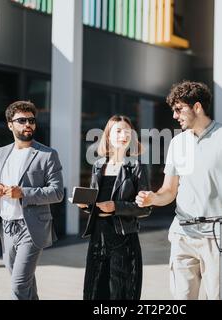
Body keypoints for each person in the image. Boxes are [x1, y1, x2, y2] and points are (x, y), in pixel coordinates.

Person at [136, 81, 222, 300]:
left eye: (179, 109)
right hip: (183, 234)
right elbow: (168, 191)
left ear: (197, 107)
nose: (174, 116)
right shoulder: (177, 143)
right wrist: (153, 197)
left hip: (219, 237)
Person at [0, 101, 64, 300]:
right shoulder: (0, 154)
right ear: (10, 124)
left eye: (31, 120)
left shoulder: (47, 155)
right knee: (25, 285)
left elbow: (57, 192)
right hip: (6, 228)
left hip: (31, 228)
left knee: (18, 285)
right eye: (22, 120)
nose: (28, 124)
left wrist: (23, 192)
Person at [74, 115, 151, 300]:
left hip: (123, 239)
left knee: (121, 294)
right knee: (95, 292)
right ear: (108, 136)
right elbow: (94, 202)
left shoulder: (136, 166)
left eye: (127, 131)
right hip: (98, 239)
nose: (123, 135)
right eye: (118, 131)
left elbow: (145, 208)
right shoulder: (98, 165)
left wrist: (115, 207)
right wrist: (86, 205)